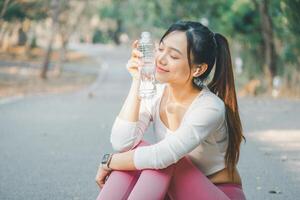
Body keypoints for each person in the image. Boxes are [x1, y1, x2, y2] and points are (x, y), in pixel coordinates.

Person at [95, 20, 246, 200]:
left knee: (162, 159)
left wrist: (109, 162)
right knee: (140, 150)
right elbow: (122, 143)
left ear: (198, 69)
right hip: (172, 192)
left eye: (173, 56)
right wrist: (137, 80)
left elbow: (162, 157)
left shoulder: (209, 108)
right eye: (160, 48)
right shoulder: (156, 94)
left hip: (217, 193)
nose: (161, 58)